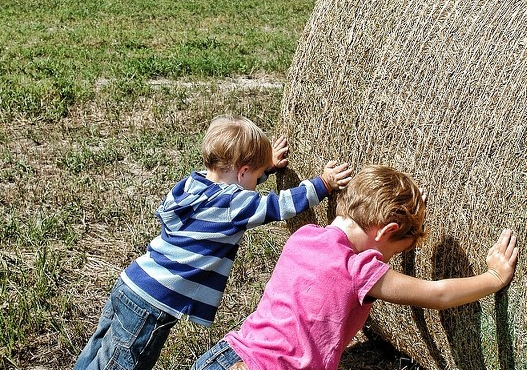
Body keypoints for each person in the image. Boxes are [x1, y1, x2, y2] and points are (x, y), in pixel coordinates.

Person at [73, 115, 353, 370]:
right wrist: (323, 184)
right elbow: (280, 206)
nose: (258, 183)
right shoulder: (233, 204)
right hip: (152, 304)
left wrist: (264, 168)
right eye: (256, 178)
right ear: (242, 172)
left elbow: (238, 188)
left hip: (131, 284)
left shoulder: (191, 185)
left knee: (96, 354)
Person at [191, 165, 520, 370]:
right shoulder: (359, 270)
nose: (386, 262)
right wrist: (493, 277)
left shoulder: (304, 236)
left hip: (227, 353)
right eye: (393, 252)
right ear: (387, 232)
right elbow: (437, 294)